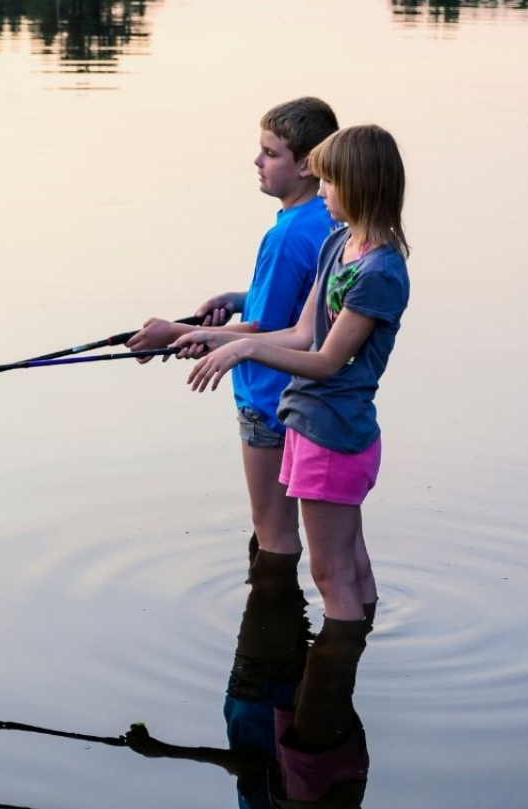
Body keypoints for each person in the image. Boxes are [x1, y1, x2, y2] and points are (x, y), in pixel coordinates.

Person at [171, 125, 411, 626]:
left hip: (334, 430)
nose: (320, 193)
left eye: (329, 183)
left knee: (331, 576)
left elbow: (325, 362)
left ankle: (327, 691)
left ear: (359, 185)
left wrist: (242, 350)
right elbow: (303, 333)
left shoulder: (379, 274)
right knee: (350, 566)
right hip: (307, 421)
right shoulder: (340, 245)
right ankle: (342, 671)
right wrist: (222, 340)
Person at [127, 97, 339, 567]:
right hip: (308, 398)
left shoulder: (285, 237)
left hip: (267, 400)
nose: (257, 161)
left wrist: (172, 332)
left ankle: (271, 626)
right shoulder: (327, 218)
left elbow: (268, 329)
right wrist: (237, 299)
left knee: (273, 532)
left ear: (306, 165)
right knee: (286, 527)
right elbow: (301, 307)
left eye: (271, 153)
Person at [125, 549, 373, 809]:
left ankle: (313, 520)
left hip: (267, 693)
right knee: (270, 571)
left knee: (274, 575)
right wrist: (164, 751)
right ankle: (315, 520)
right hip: (260, 690)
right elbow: (252, 765)